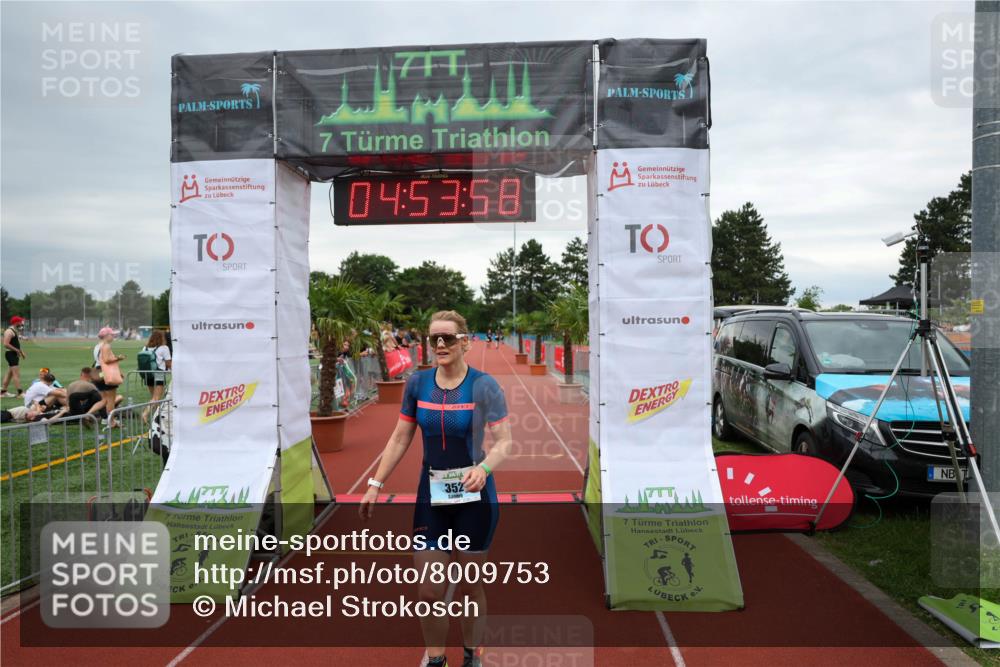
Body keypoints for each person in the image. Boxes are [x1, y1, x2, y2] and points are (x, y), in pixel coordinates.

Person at [360, 310, 512, 667]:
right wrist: (374, 484)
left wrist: (484, 467)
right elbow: (400, 437)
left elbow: (504, 442)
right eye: (433, 339)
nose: (439, 344)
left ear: (465, 342)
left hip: (476, 499)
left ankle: (473, 655)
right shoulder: (418, 384)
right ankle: (437, 660)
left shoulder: (485, 386)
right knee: (429, 591)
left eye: (447, 338)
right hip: (432, 498)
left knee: (470, 586)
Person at [140, 330, 172, 421]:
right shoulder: (164, 348)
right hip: (158, 374)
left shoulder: (145, 348)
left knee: (154, 397)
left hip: (147, 374)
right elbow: (169, 363)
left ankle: (157, 417)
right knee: (157, 398)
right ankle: (145, 413)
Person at [96, 327, 125, 427]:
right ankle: (111, 421)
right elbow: (107, 360)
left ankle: (105, 418)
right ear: (106, 336)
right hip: (106, 373)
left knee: (104, 399)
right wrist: (119, 358)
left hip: (98, 372)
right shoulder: (106, 346)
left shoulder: (97, 346)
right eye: (112, 335)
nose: (113, 337)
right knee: (111, 400)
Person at [2, 316, 26, 398]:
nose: (21, 323)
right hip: (11, 354)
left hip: (13, 354)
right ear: (16, 322)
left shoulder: (14, 331)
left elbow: (15, 343)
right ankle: (20, 392)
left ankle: (3, 391)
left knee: (9, 374)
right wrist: (16, 350)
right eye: (20, 322)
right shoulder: (9, 331)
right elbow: (6, 344)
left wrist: (21, 352)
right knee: (16, 374)